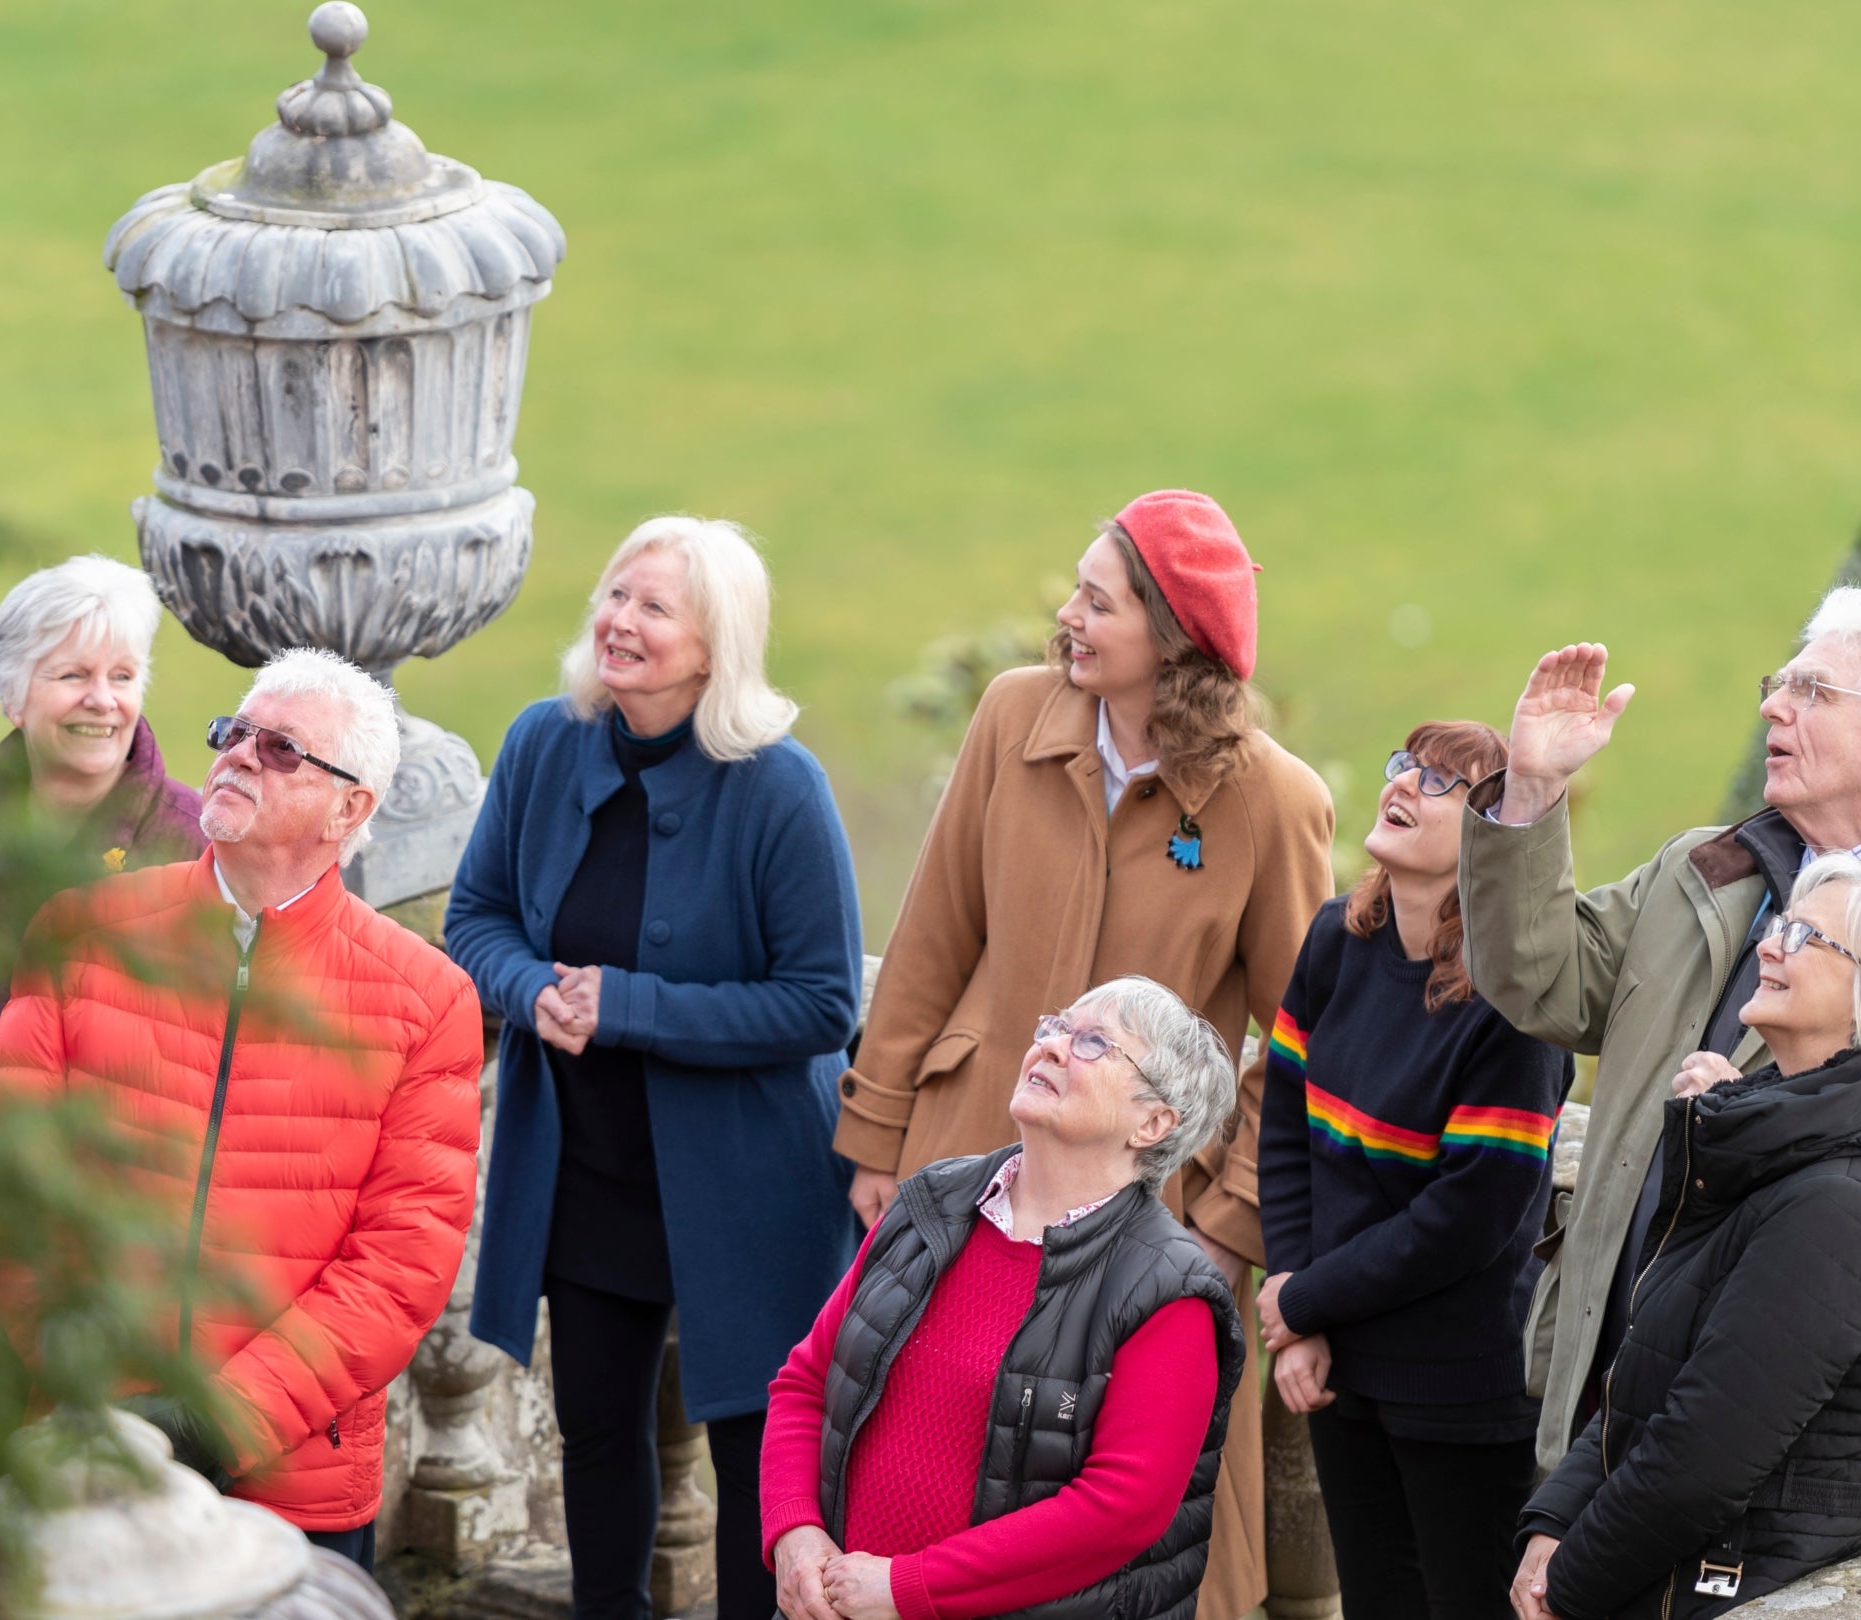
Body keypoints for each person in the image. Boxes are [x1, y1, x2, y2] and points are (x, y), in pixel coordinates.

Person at [835, 491, 1333, 1619]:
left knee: (1132, 1519)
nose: (1065, 617)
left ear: (1168, 638)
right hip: (963, 1165)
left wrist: (1225, 1222)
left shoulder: (1273, 801)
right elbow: (929, 940)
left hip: (1147, 1222)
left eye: (1095, 601)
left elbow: (1302, 1042)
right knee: (923, 1455)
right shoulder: (1013, 717)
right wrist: (879, 1138)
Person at [1459, 585, 1861, 1509]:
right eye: (1781, 684)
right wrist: (1533, 793)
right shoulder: (1703, 864)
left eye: (1814, 693)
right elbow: (1540, 981)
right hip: (1605, 1404)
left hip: (1794, 1459)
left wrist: (1742, 1129)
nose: (1773, 706)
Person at [0, 647, 481, 1569]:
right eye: (234, 732)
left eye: (282, 749)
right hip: (87, 1452)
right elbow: (13, 1180)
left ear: (351, 807)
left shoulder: (427, 1001)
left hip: (295, 1493)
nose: (240, 754)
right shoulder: (80, 934)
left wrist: (214, 1423)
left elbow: (400, 1267)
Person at [445, 516, 863, 1620]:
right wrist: (528, 989)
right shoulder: (544, 742)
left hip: (749, 1183)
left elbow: (825, 1001)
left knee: (753, 1456)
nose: (620, 621)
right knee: (597, 1431)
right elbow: (475, 916)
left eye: (654, 607)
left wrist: (627, 1005)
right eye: (616, 595)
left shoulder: (780, 787)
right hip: (584, 1165)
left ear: (716, 646)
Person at [1509, 858, 1861, 1618]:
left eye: (1804, 936)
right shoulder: (1780, 1140)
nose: (1769, 943)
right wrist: (1553, 1523)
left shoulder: (1846, 1203)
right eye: (1778, 923)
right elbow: (1652, 1363)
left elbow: (1703, 1455)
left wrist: (1568, 1586)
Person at [763, 977, 1248, 1620]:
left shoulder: (1169, 1289)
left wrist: (909, 1588)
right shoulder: (928, 1204)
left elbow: (1120, 1511)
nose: (1049, 1047)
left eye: (1093, 1043)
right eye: (1053, 1027)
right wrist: (795, 1534)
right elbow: (805, 1383)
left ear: (1153, 1122)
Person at [1257, 723, 1573, 1620]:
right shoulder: (1334, 939)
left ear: (1489, 838)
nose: (1404, 784)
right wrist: (1296, 1298)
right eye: (1406, 764)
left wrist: (1307, 1302)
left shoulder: (1511, 1004)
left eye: (1443, 783)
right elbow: (1285, 1129)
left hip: (1457, 1382)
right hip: (1338, 1359)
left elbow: (1468, 1219)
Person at [0, 553, 204, 1053]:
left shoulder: (191, 842)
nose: (103, 699)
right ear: (13, 697)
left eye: (122, 676)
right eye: (73, 676)